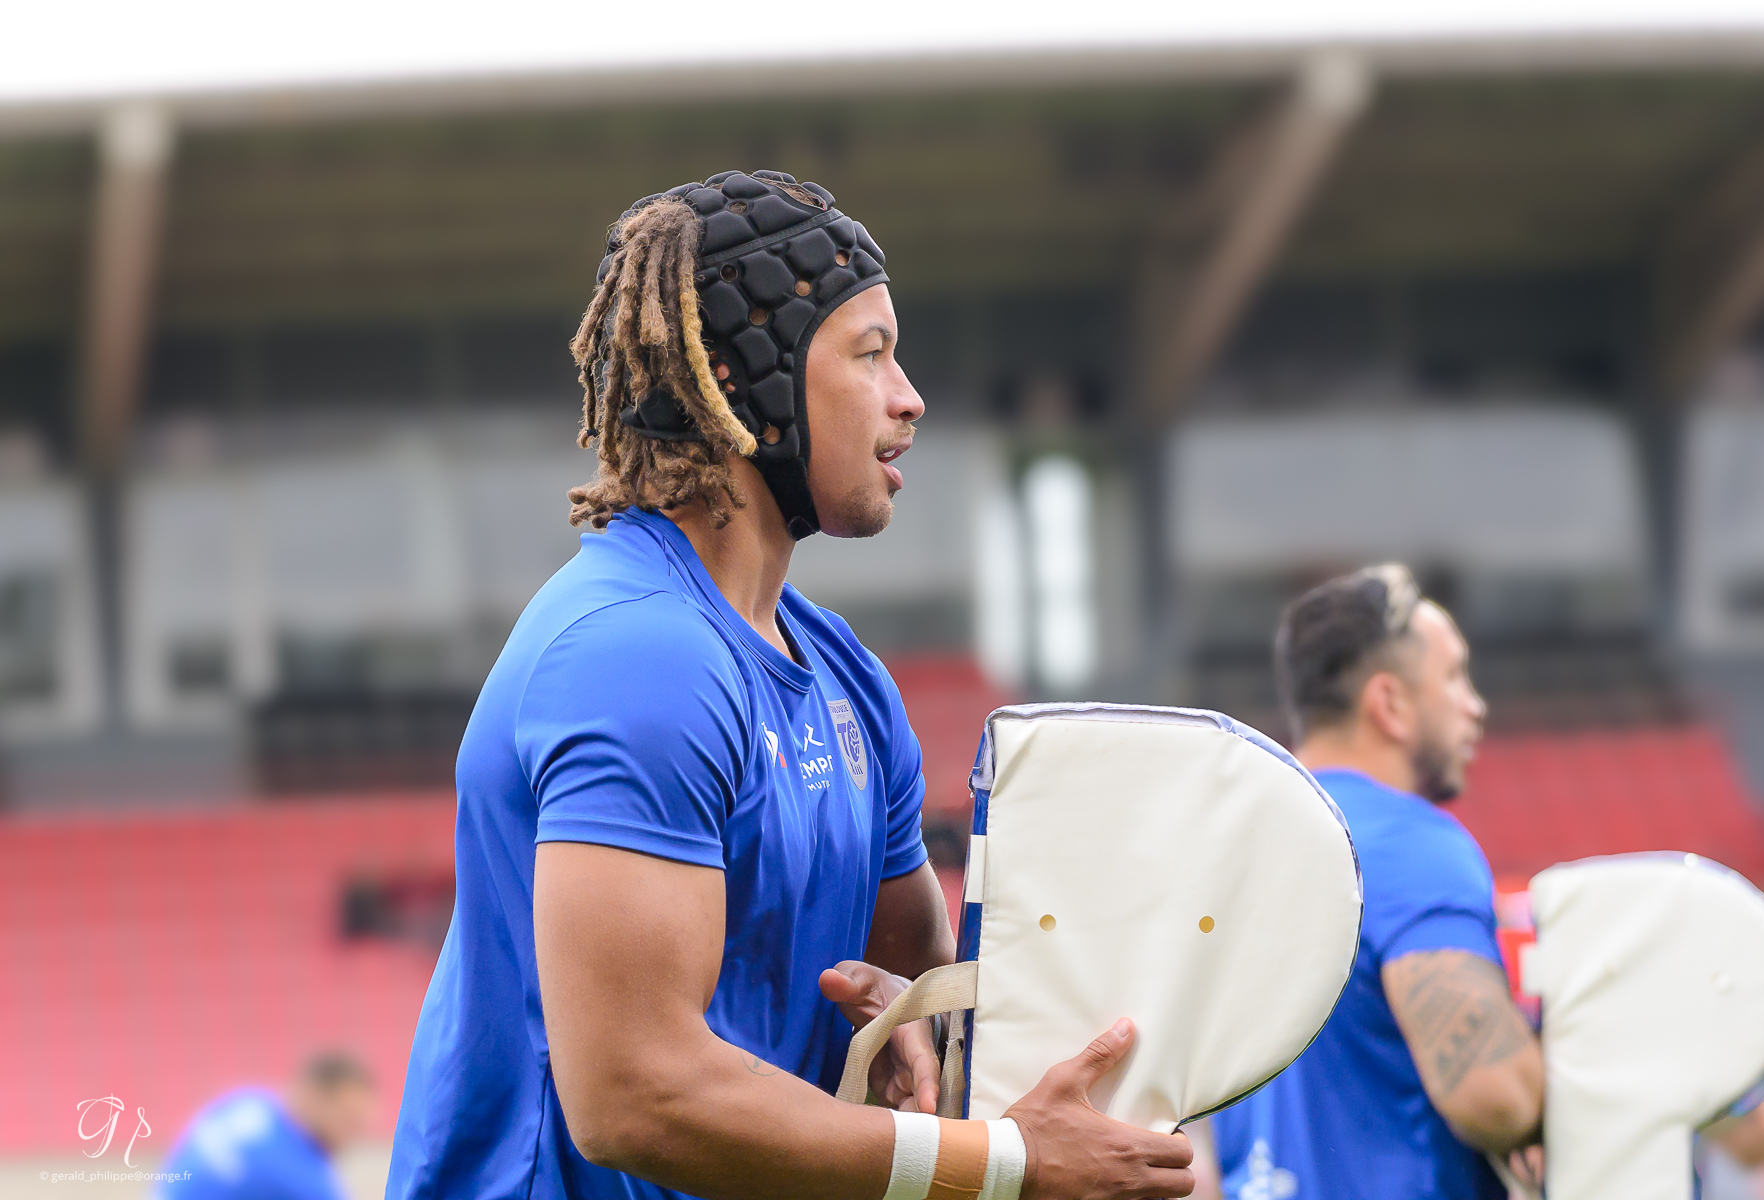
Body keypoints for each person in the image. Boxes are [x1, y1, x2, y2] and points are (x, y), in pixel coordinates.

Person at [384, 171, 1194, 1200]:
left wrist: (915, 1025)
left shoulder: (845, 675)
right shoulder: (635, 657)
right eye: (869, 354)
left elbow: (932, 992)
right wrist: (1003, 1166)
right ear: (739, 382)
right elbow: (634, 1094)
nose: (909, 397)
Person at [1207, 564, 1543, 1199]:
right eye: (1454, 676)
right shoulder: (1411, 843)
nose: (1475, 706)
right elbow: (1492, 1097)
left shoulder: (1229, 849)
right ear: (1389, 704)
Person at [158, 1051, 373, 1200]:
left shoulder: (245, 1100)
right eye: (349, 1119)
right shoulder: (303, 1172)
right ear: (315, 1097)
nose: (353, 1134)